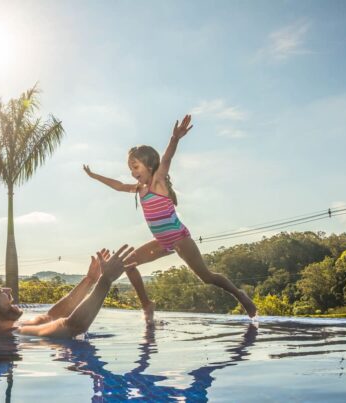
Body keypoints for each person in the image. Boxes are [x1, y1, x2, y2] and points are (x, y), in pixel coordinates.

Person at [83, 114, 257, 321]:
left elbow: (166, 159)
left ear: (149, 166)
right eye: (130, 168)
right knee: (128, 265)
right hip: (162, 242)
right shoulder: (139, 189)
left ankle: (240, 295)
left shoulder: (158, 182)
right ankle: (147, 304)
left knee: (207, 277)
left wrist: (174, 139)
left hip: (180, 238)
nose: (132, 173)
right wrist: (94, 176)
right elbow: (118, 186)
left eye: (135, 167)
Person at [0, 245, 136, 338]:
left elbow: (51, 316)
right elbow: (73, 327)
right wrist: (106, 280)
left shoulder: (13, 328)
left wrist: (90, 280)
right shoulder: (13, 336)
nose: (8, 290)